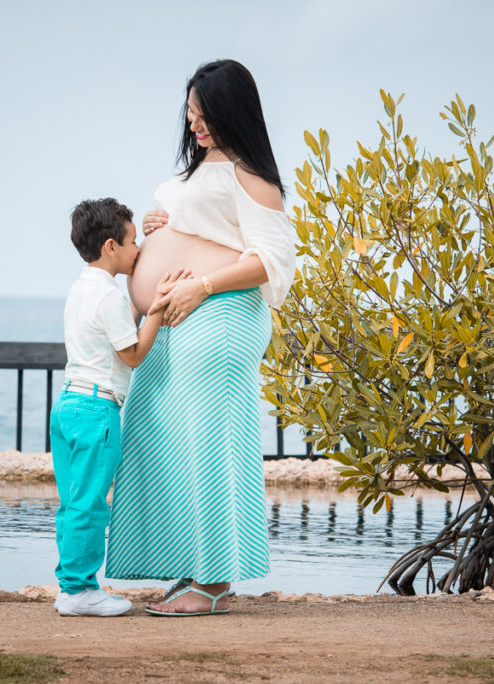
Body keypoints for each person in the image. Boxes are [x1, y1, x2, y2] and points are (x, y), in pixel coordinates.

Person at [105, 59, 296, 616]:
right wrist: (157, 229)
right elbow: (202, 232)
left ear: (233, 112)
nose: (195, 124)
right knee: (161, 441)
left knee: (207, 445)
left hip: (218, 318)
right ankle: (192, 568)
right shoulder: (198, 171)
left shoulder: (249, 174)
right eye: (190, 113)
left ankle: (211, 582)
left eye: (205, 114)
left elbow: (273, 261)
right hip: (171, 328)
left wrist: (203, 286)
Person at [51, 197, 188, 617]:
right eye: (132, 242)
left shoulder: (81, 289)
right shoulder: (107, 296)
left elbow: (114, 329)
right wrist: (159, 307)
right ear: (111, 246)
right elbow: (132, 355)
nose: (139, 250)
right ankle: (78, 592)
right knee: (91, 503)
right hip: (98, 412)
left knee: (73, 502)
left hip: (69, 405)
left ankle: (73, 586)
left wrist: (143, 309)